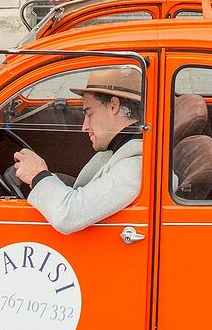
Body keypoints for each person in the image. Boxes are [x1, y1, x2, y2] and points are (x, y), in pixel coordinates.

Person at [13, 66, 143, 234]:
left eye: (89, 114)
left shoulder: (135, 166)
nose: (84, 127)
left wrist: (37, 175)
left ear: (113, 106)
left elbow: (68, 216)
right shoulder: (121, 152)